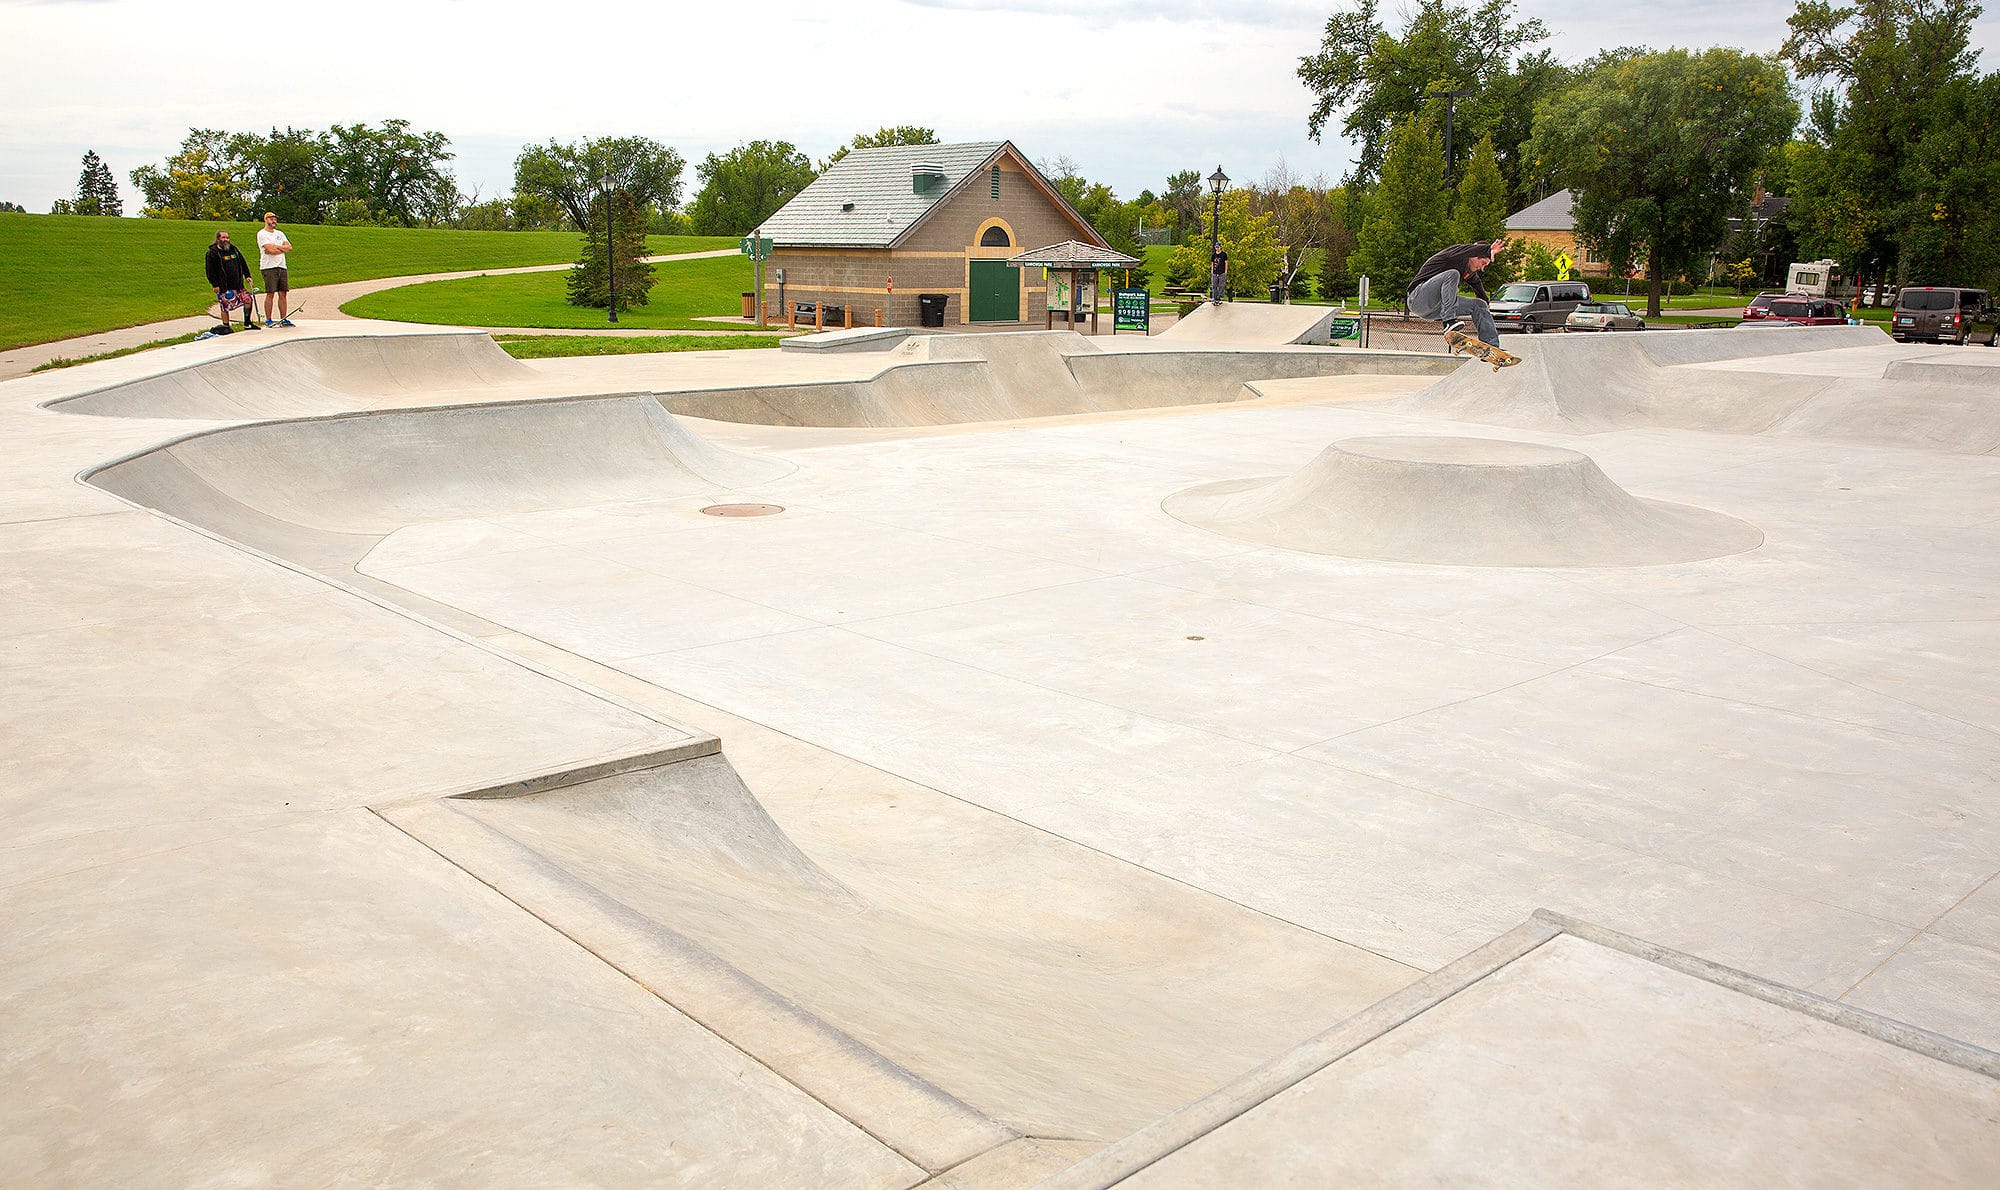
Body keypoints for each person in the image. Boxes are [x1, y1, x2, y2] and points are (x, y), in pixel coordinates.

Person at [1408, 236, 1504, 349]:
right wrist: (1488, 249)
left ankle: (1490, 346)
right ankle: (1449, 322)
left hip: (1435, 309)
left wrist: (1485, 301)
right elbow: (1468, 249)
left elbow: (1477, 284)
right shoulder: (1455, 255)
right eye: (1483, 263)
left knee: (1479, 305)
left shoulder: (1469, 272)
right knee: (1452, 274)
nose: (1482, 268)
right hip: (1418, 298)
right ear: (1474, 255)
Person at [202, 230, 259, 333]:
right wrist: (215, 284)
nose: (226, 240)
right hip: (224, 286)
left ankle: (247, 323)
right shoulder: (212, 253)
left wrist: (247, 275)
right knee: (225, 307)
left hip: (238, 285)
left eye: (227, 238)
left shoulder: (234, 250)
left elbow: (242, 262)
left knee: (248, 300)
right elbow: (210, 271)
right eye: (223, 238)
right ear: (218, 239)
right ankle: (226, 326)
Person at [256, 212, 295, 327]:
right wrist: (281, 248)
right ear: (266, 220)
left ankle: (284, 318)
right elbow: (269, 250)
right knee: (270, 293)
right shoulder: (262, 234)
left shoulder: (280, 233)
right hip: (269, 267)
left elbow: (289, 247)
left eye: (274, 219)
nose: (273, 221)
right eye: (271, 219)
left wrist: (277, 247)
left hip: (281, 265)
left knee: (283, 293)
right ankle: (268, 319)